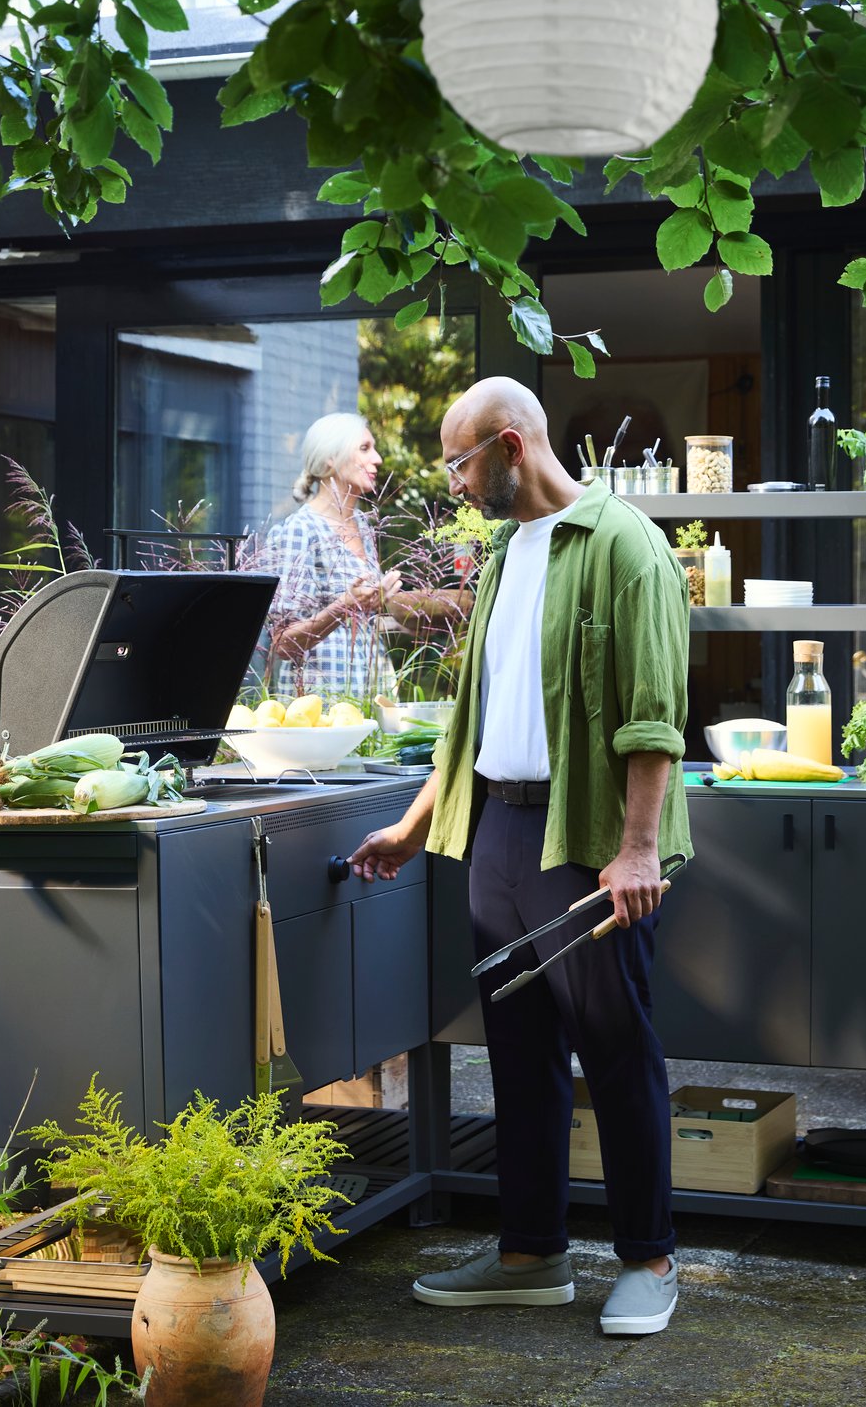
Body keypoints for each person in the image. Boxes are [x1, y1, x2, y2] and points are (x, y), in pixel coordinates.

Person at [347, 377, 693, 1337]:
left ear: (509, 446)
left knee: (617, 1050)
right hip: (499, 829)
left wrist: (635, 850)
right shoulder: (504, 554)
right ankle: (531, 1253)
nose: (452, 482)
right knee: (519, 1050)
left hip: (587, 839)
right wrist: (419, 821)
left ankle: (650, 1261)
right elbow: (474, 716)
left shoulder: (626, 545)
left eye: (458, 461)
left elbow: (653, 717)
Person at [265, 413, 462, 703]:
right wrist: (345, 606)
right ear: (330, 459)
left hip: (371, 701)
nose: (378, 459)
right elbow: (283, 643)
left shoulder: (363, 524)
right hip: (319, 711)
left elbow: (358, 625)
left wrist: (408, 615)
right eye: (365, 448)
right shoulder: (300, 530)